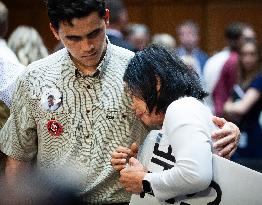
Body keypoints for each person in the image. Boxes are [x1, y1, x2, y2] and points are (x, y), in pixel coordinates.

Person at [0, 0, 239, 204]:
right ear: (54, 31)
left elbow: (187, 114)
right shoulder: (33, 78)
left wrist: (226, 130)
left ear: (106, 18)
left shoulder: (141, 71)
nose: (87, 46)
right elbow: (18, 158)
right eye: (73, 38)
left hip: (126, 200)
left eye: (94, 33)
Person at [111, 45, 229, 203]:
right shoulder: (185, 108)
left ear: (156, 82)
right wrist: (142, 165)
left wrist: (144, 181)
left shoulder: (181, 108)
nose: (133, 105)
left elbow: (195, 175)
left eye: (133, 93)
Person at [224, 39, 262, 159]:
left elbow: (242, 108)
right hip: (238, 134)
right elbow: (225, 107)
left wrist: (231, 107)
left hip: (253, 137)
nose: (248, 59)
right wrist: (230, 108)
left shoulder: (259, 79)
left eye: (252, 54)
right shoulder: (240, 80)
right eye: (244, 54)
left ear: (258, 57)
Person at [212, 23, 256, 117]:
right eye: (247, 39)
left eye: (252, 54)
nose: (248, 59)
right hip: (228, 117)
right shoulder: (233, 61)